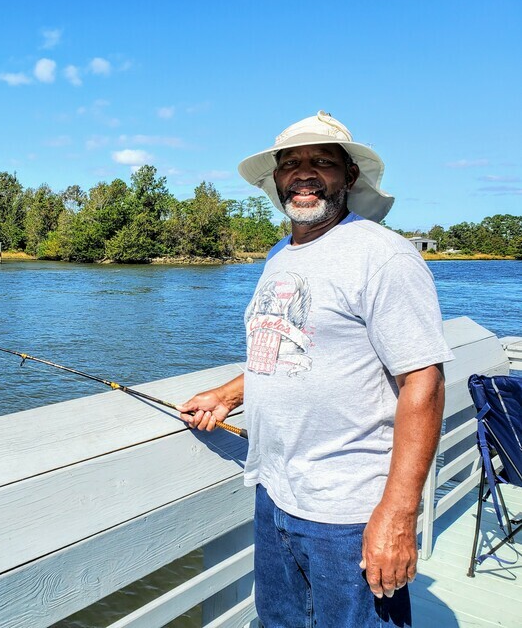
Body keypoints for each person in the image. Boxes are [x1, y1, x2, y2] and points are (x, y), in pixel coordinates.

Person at [178, 111, 453, 627]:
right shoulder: (280, 254)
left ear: (349, 176)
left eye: (322, 162)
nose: (304, 173)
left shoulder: (382, 256)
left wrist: (397, 515)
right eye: (290, 164)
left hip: (351, 511)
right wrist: (231, 394)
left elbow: (424, 382)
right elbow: (292, 348)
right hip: (276, 494)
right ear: (276, 179)